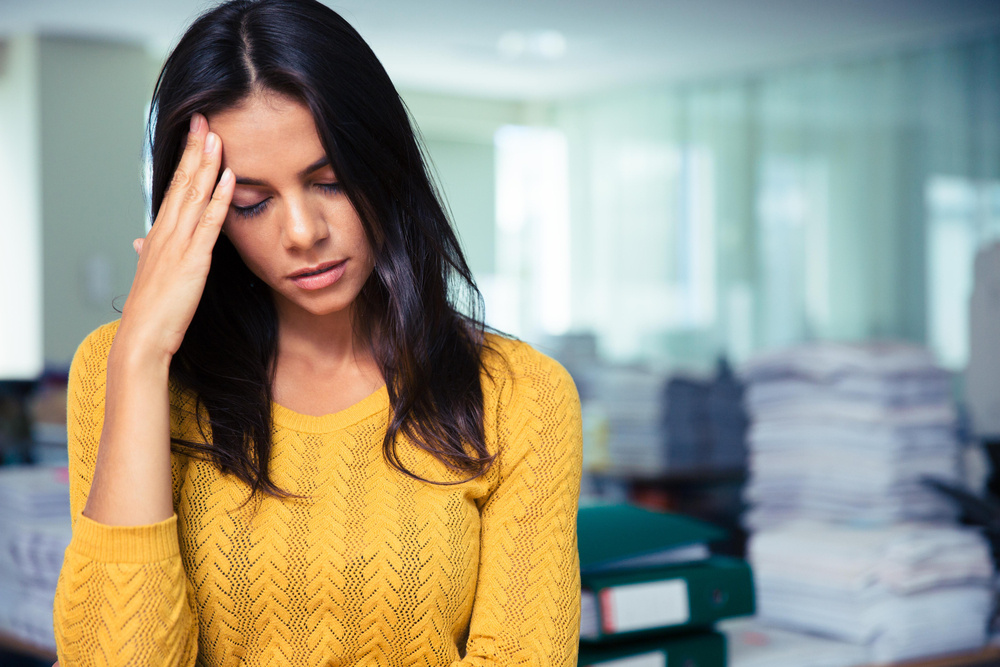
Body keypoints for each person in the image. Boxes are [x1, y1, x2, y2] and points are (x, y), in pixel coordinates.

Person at [50, 0, 583, 664]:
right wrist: (141, 356)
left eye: (329, 181)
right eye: (252, 202)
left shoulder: (518, 394)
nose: (303, 233)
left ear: (384, 166)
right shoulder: (121, 371)